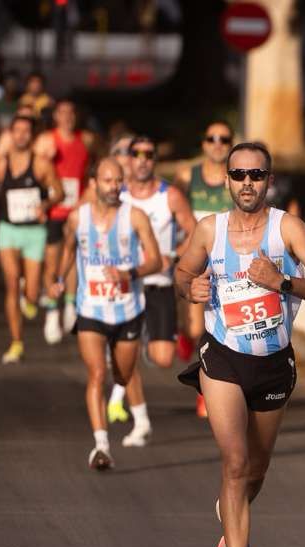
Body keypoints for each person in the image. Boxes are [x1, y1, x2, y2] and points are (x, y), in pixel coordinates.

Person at [175, 142, 305, 547]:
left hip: (272, 362)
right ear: (226, 179)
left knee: (256, 471)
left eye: (256, 174)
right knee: (235, 462)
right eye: (238, 174)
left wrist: (282, 283)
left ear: (269, 179)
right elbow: (183, 273)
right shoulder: (210, 230)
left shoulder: (288, 228)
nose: (247, 182)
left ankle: (231, 515)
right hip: (223, 356)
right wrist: (192, 287)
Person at [51, 158, 161, 470]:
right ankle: (101, 445)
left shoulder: (135, 217)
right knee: (97, 374)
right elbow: (69, 249)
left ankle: (125, 399)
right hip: (91, 310)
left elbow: (156, 261)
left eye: (118, 181)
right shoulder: (78, 218)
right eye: (108, 181)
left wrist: (129, 273)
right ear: (94, 183)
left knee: (123, 374)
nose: (114, 187)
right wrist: (58, 280)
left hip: (127, 311)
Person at [106, 135, 197, 443]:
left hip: (159, 284)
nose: (142, 159)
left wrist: (174, 254)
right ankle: (141, 420)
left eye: (149, 154)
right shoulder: (117, 195)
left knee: (162, 359)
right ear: (128, 159)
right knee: (125, 357)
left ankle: (152, 339)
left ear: (154, 160)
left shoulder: (169, 195)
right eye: (137, 154)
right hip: (126, 286)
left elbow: (194, 233)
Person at [0, 115, 64, 364]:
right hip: (8, 229)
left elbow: (58, 192)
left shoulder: (41, 164)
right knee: (12, 282)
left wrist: (46, 204)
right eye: (17, 131)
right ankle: (16, 343)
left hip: (34, 232)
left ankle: (31, 296)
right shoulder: (0, 164)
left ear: (32, 136)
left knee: (33, 295)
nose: (21, 135)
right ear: (10, 135)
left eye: (26, 131)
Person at [175, 121, 235, 417]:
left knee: (216, 330)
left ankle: (207, 389)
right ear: (203, 143)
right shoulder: (188, 176)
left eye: (224, 139)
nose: (217, 143)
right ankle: (184, 333)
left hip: (227, 263)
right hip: (198, 262)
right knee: (196, 328)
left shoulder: (236, 179)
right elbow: (174, 212)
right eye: (211, 138)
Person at [35, 99, 96, 344]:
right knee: (52, 261)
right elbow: (34, 173)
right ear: (55, 117)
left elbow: (98, 165)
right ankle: (52, 310)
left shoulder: (87, 139)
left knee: (74, 260)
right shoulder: (46, 141)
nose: (67, 117)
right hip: (54, 209)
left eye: (71, 112)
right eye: (62, 113)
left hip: (77, 209)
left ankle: (70, 305)